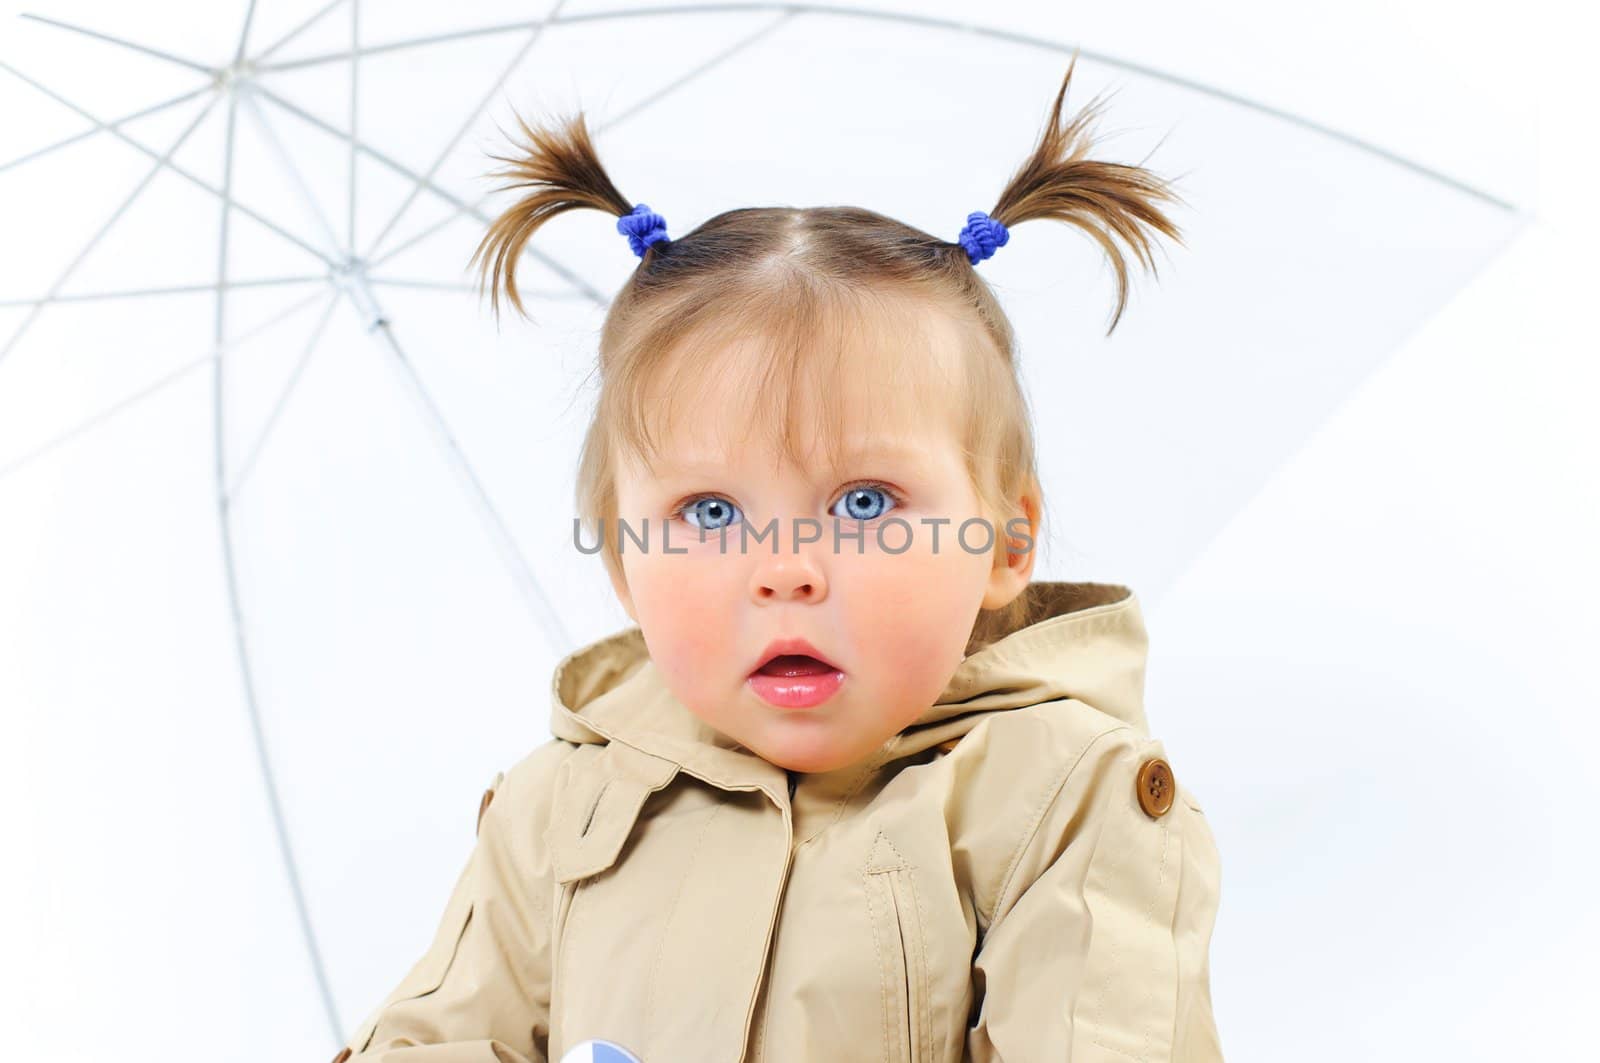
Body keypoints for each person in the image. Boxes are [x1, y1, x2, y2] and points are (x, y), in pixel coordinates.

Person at [333, 52, 1224, 1063]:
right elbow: (435, 1038)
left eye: (861, 501)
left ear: (1003, 543)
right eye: (709, 510)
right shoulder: (558, 808)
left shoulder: (1058, 797)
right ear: (625, 563)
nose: (785, 569)